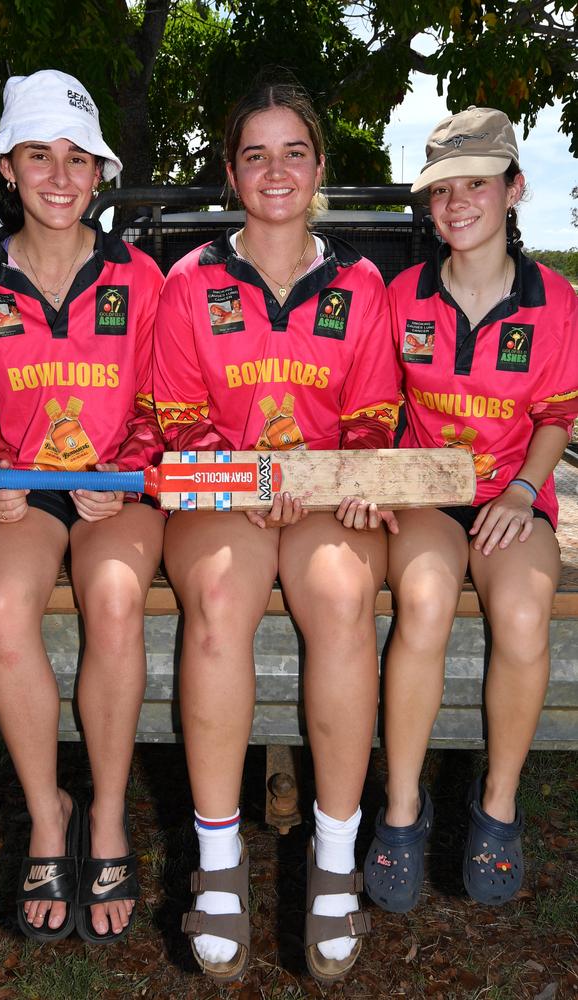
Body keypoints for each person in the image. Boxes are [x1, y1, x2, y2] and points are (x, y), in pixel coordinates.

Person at [153, 77, 400, 983]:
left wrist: (337, 480)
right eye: (255, 153)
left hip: (329, 497)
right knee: (219, 597)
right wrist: (240, 475)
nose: (276, 169)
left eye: (294, 150)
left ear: (320, 166)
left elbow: (375, 416)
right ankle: (219, 861)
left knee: (339, 599)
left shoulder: (361, 284)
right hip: (226, 496)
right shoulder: (192, 282)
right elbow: (177, 414)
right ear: (231, 173)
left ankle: (334, 854)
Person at [0, 69, 165, 944]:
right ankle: (47, 813)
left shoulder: (139, 278)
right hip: (20, 496)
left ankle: (107, 815)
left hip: (120, 493)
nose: (61, 178)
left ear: (101, 173)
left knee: (113, 598)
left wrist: (122, 470)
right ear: (7, 167)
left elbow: (164, 403)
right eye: (40, 156)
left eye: (77, 159)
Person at [363, 106, 578, 913]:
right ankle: (403, 808)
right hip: (427, 489)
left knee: (524, 615)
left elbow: (557, 413)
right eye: (442, 189)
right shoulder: (401, 293)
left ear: (514, 190)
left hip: (513, 494)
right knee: (421, 602)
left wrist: (524, 491)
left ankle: (496, 807)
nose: (456, 204)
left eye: (476, 185)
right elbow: (377, 404)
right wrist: (376, 479)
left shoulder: (553, 299)